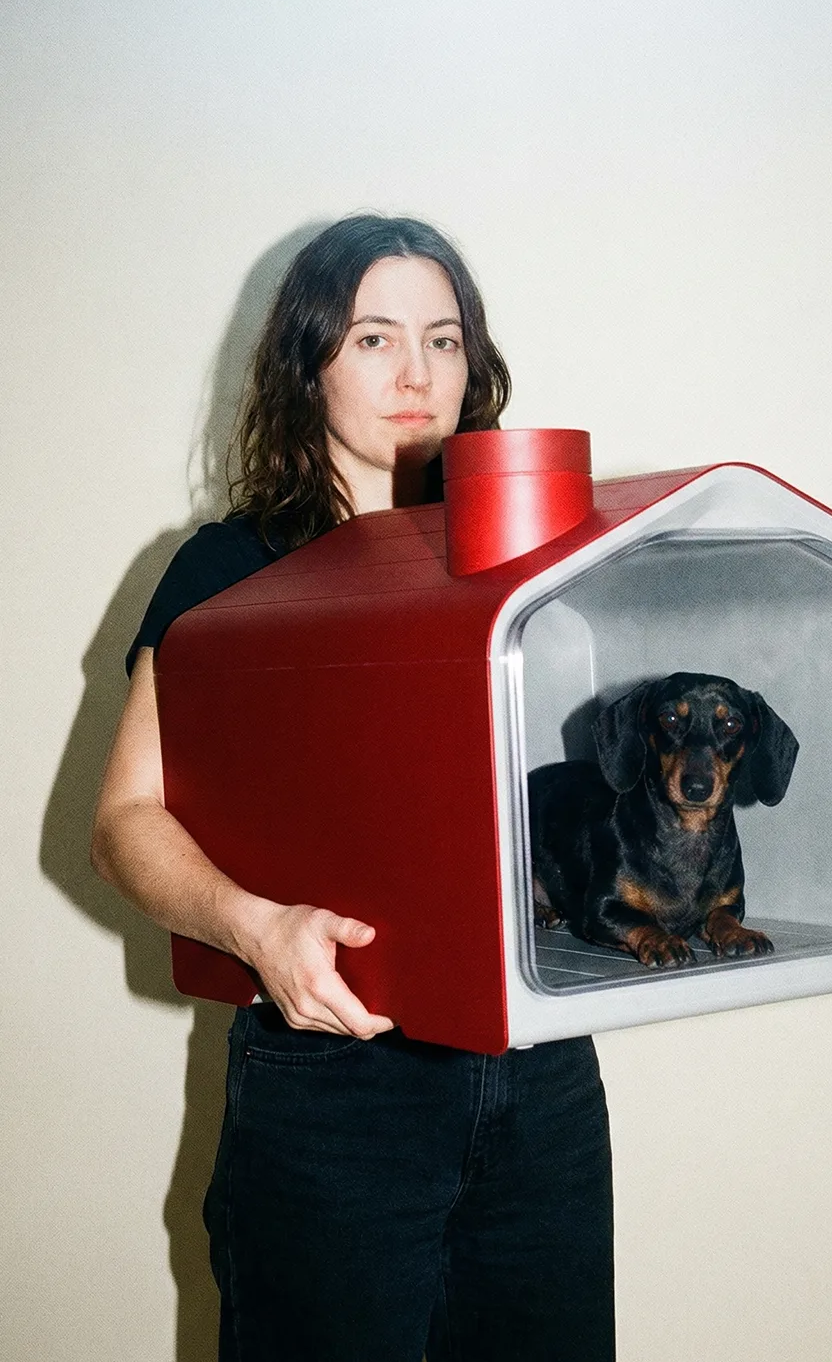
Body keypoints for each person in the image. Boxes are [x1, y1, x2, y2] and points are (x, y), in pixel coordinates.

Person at [92, 214, 615, 1362]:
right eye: (375, 337)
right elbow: (125, 819)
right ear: (309, 359)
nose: (417, 373)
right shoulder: (229, 567)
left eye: (443, 338)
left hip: (540, 1073)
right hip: (330, 1080)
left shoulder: (521, 561)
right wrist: (256, 928)